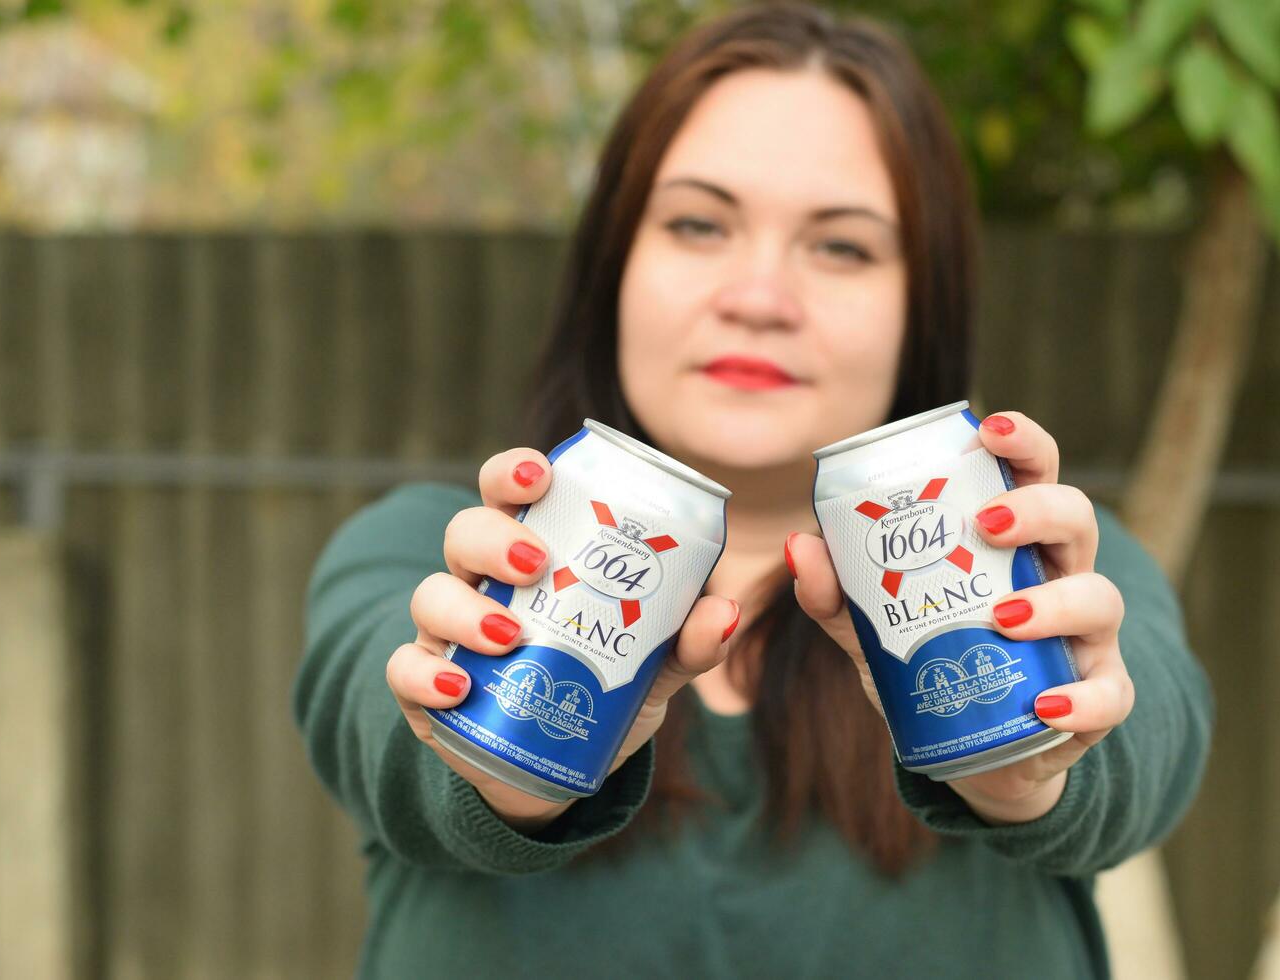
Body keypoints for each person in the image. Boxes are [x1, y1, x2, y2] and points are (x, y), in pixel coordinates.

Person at [292, 4, 1212, 977]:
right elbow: (370, 718)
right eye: (699, 224)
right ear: (613, 265)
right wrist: (492, 760)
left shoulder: (1064, 563)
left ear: (922, 302)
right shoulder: (425, 553)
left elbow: (1152, 746)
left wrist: (1035, 764)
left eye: (841, 245)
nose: (760, 294)